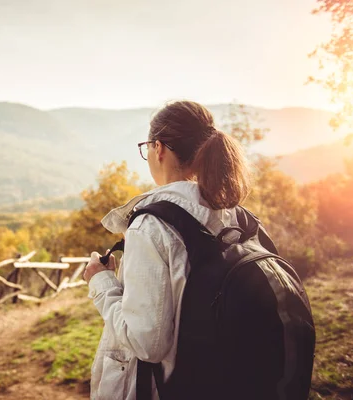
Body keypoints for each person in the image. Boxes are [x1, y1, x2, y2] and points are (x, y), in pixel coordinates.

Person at [82, 100, 253, 399]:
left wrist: (101, 282)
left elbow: (146, 344)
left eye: (146, 146)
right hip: (225, 382)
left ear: (158, 148)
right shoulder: (234, 216)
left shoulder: (151, 226)